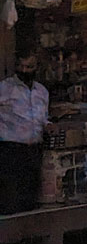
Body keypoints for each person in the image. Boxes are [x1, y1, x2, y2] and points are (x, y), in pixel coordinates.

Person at [0, 51, 49, 214]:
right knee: (11, 200)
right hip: (11, 150)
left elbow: (42, 118)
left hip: (34, 149)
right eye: (21, 66)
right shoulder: (5, 88)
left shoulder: (41, 91)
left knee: (31, 198)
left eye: (29, 67)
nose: (25, 70)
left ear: (36, 68)